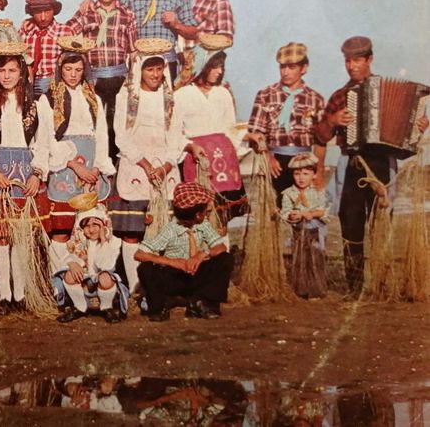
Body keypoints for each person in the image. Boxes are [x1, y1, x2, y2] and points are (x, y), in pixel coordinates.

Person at [314, 36, 428, 296]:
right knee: (350, 222)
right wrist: (332, 120)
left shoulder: (394, 90)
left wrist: (419, 128)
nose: (351, 66)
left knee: (381, 224)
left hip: (382, 163)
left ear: (369, 59)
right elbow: (320, 136)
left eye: (357, 60)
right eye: (347, 61)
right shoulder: (340, 96)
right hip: (352, 161)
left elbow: (407, 143)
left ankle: (380, 282)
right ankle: (354, 287)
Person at [111, 39, 203, 299]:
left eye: (158, 69)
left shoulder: (171, 99)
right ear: (139, 69)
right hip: (136, 168)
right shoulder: (126, 95)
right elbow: (121, 135)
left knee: (164, 231)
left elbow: (175, 135)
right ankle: (137, 286)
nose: (154, 74)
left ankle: (163, 287)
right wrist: (144, 163)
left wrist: (165, 164)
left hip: (165, 169)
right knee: (133, 233)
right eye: (149, 69)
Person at [0, 43, 55, 315]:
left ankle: (21, 292)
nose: (7, 75)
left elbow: (44, 142)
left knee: (21, 236)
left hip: (26, 171)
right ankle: (5, 295)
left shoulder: (37, 105)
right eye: (2, 70)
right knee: (1, 236)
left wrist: (38, 173)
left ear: (22, 73)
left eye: (13, 70)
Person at [45, 37, 114, 254]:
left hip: (92, 161)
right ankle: (61, 279)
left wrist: (96, 168)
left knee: (91, 224)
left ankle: (90, 275)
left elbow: (102, 134)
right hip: (65, 163)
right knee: (62, 227)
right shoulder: (48, 99)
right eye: (68, 69)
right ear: (60, 69)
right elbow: (48, 137)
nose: (73, 74)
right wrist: (74, 165)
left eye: (78, 69)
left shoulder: (93, 98)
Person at [66, 0, 138, 160]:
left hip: (119, 76)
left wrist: (132, 79)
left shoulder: (127, 14)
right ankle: (93, 162)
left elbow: (133, 50)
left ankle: (115, 164)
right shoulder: (87, 12)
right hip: (93, 77)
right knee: (93, 121)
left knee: (116, 122)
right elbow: (66, 34)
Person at [174, 34, 247, 228]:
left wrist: (248, 136)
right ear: (202, 66)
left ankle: (222, 253)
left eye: (222, 66)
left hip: (223, 159)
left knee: (223, 216)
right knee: (201, 212)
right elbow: (174, 132)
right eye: (215, 66)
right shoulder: (181, 95)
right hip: (197, 160)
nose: (219, 71)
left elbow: (231, 128)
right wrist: (189, 146)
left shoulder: (222, 93)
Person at [134, 182, 234, 321]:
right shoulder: (170, 229)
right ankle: (160, 306)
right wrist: (173, 262)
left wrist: (202, 254)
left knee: (225, 258)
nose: (207, 212)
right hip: (174, 277)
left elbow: (220, 247)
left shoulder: (203, 225)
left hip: (195, 275)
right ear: (198, 214)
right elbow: (139, 254)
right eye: (205, 209)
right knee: (145, 268)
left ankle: (205, 303)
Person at [247, 42, 326, 202]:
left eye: (291, 67)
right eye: (282, 67)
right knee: (274, 211)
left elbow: (320, 140)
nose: (285, 72)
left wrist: (319, 170)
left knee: (304, 213)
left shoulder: (315, 99)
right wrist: (268, 157)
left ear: (304, 68)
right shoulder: (265, 95)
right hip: (275, 161)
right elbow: (256, 133)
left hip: (305, 161)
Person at [50, 205, 128, 323]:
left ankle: (106, 307)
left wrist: (102, 239)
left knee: (105, 277)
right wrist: (72, 263)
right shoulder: (78, 242)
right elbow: (68, 257)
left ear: (103, 225)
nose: (91, 230)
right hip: (86, 282)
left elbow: (105, 265)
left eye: (95, 225)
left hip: (103, 281)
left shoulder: (114, 242)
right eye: (87, 226)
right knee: (69, 275)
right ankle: (80, 307)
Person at [279, 153, 329, 299]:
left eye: (306, 174)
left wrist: (310, 214)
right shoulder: (288, 193)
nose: (301, 178)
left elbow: (324, 211)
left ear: (314, 175)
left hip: (316, 230)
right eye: (297, 174)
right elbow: (285, 211)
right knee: (299, 258)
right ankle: (301, 289)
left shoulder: (319, 192)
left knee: (315, 258)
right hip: (298, 230)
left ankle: (316, 290)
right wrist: (290, 216)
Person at [18, 0, 76, 96]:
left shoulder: (65, 32)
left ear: (54, 10)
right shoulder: (24, 32)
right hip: (27, 83)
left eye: (47, 11)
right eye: (38, 12)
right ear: (31, 12)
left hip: (53, 82)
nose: (43, 17)